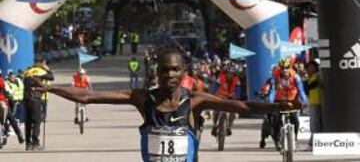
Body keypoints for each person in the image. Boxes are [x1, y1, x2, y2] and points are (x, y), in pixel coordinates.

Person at [34, 48, 292, 161]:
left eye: (175, 70)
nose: (169, 75)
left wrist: (279, 107)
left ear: (184, 72)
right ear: (157, 72)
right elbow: (87, 96)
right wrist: (50, 88)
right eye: (164, 70)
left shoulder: (195, 102)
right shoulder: (143, 98)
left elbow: (242, 107)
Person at [269, 58, 308, 150]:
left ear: (290, 68)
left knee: (295, 120)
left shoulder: (296, 77)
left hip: (292, 99)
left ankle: (295, 139)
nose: (284, 70)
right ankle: (277, 141)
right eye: (282, 68)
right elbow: (272, 91)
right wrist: (270, 102)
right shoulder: (275, 76)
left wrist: (305, 102)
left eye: (286, 68)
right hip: (279, 100)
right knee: (276, 120)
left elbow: (301, 91)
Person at [24, 63, 54, 150]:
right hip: (35, 99)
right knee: (37, 121)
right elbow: (51, 77)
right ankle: (35, 143)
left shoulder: (27, 72)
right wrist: (47, 69)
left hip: (26, 99)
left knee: (28, 122)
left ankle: (28, 144)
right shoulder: (41, 71)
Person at [210, 67, 242, 136]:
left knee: (233, 111)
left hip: (231, 98)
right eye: (229, 73)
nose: (230, 75)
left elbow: (238, 91)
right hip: (220, 97)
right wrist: (211, 96)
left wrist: (237, 98)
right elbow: (214, 88)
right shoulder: (220, 78)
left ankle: (229, 127)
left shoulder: (237, 80)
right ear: (226, 74)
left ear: (234, 75)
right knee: (216, 110)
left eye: (232, 74)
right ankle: (215, 124)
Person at [306, 60, 322, 149]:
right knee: (314, 124)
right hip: (313, 103)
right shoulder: (310, 77)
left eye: (311, 67)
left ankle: (314, 143)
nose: (309, 69)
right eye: (308, 67)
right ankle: (313, 142)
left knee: (315, 124)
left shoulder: (318, 76)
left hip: (317, 102)